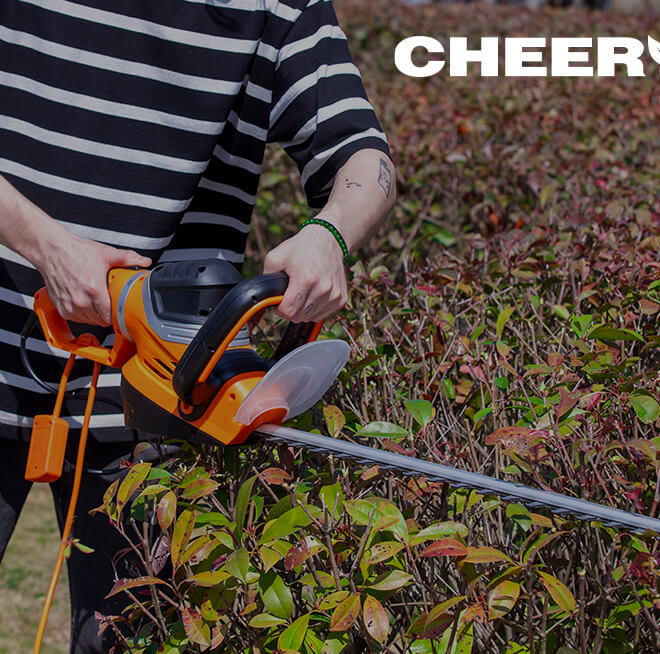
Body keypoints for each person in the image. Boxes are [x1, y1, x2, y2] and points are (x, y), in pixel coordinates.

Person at [0, 0, 395, 650]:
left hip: (160, 397)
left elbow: (362, 155)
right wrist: (44, 245)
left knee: (130, 639)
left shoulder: (279, 5)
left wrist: (329, 236)